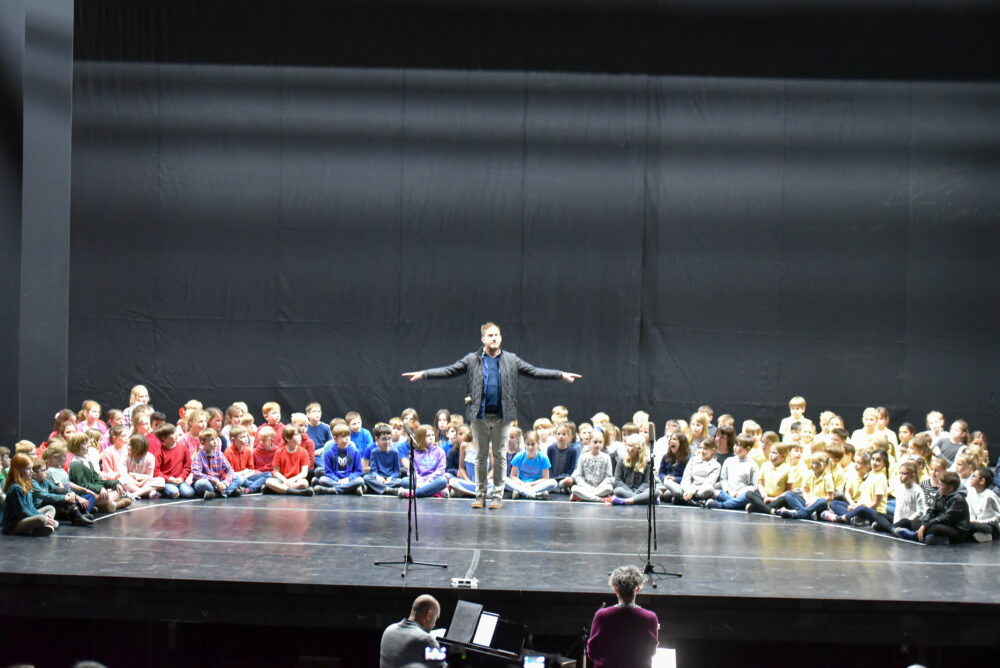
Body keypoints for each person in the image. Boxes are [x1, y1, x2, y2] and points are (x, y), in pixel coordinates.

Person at [403, 321, 580, 510]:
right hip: (479, 414)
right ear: (483, 339)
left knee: (500, 455)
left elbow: (534, 371)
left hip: (503, 415)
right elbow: (449, 369)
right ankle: (480, 495)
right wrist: (424, 374)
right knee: (480, 455)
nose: (494, 338)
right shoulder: (473, 359)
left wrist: (560, 375)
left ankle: (496, 496)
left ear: (500, 338)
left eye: (497, 335)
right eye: (490, 335)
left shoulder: (511, 359)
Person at [586, 565, 659, 668]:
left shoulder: (602, 615)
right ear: (637, 589)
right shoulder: (650, 617)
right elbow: (651, 651)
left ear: (616, 590)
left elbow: (592, 651)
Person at [379, 594, 444, 668]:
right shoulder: (427, 640)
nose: (434, 625)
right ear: (429, 615)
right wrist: (460, 655)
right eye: (436, 618)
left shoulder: (388, 630)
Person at [2, 454, 60, 536]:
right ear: (19, 470)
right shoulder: (15, 488)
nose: (32, 471)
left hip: (25, 516)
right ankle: (40, 526)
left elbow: (31, 507)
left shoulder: (27, 483)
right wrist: (43, 517)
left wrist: (45, 516)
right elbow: (22, 512)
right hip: (14, 524)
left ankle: (40, 527)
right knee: (42, 519)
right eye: (28, 469)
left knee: (50, 508)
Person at [568, 428, 615, 503]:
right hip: (586, 487)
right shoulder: (583, 456)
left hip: (601, 487)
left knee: (609, 488)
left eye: (600, 442)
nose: (598, 445)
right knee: (574, 489)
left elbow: (608, 477)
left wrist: (599, 487)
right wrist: (587, 487)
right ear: (590, 442)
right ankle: (601, 500)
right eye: (595, 442)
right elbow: (578, 475)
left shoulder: (606, 457)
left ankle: (584, 497)